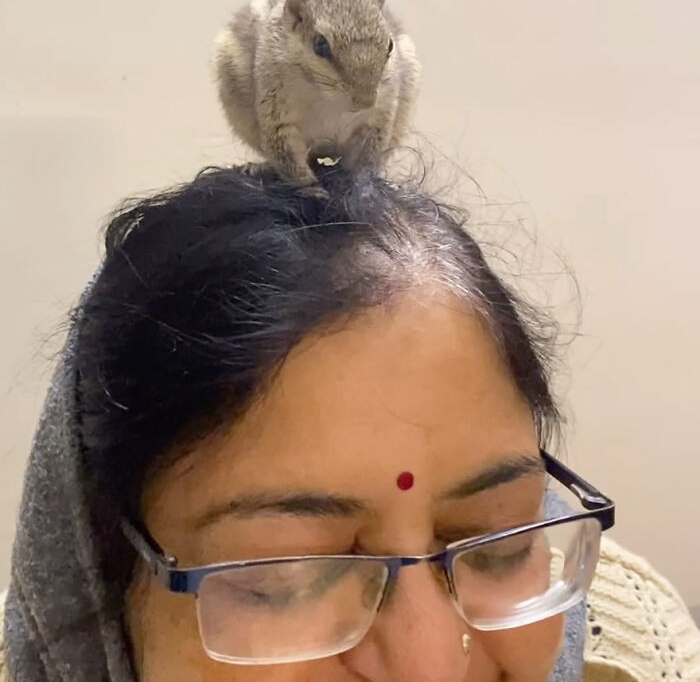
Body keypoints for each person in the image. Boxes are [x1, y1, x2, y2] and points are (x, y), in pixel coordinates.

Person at [2, 165, 698, 682]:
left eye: (496, 543)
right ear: (97, 571)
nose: (431, 665)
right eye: (291, 577)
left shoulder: (649, 655)